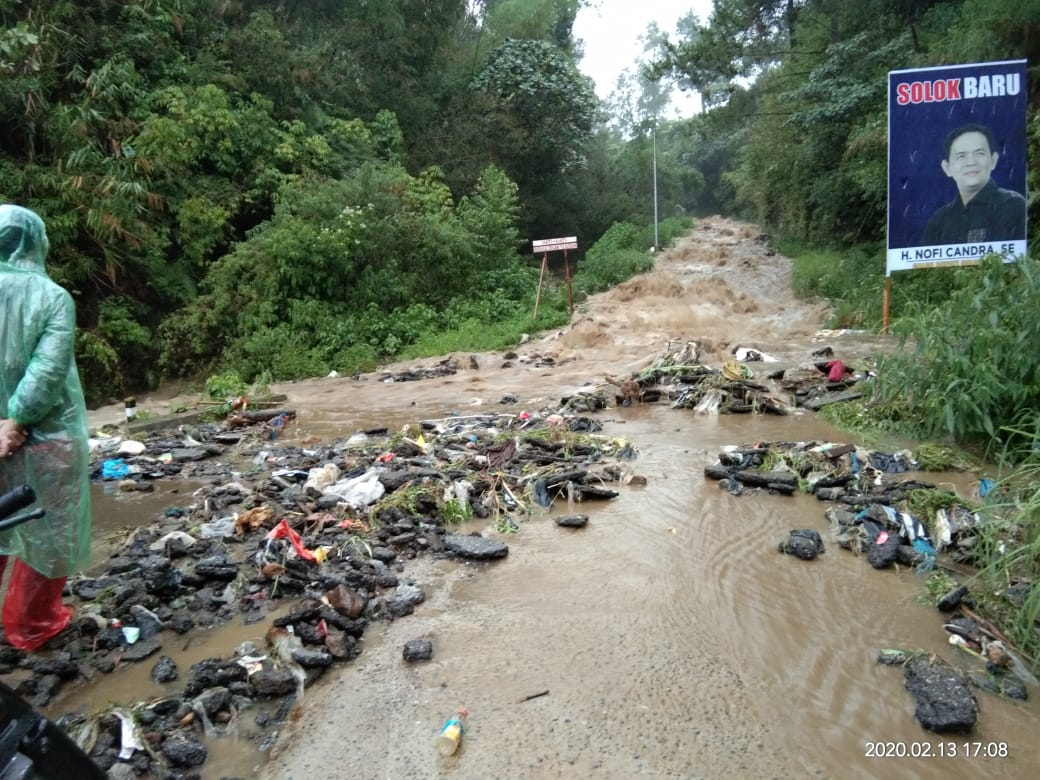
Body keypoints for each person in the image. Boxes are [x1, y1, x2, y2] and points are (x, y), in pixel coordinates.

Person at [0, 204, 92, 651]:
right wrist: (16, 421)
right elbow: (46, 372)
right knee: (50, 527)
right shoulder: (51, 296)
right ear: (32, 242)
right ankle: (30, 625)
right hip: (48, 435)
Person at [922, 123, 1027, 245]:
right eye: (961, 156)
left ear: (993, 160)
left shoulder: (1012, 204)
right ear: (947, 168)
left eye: (979, 153)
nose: (971, 162)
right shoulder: (939, 220)